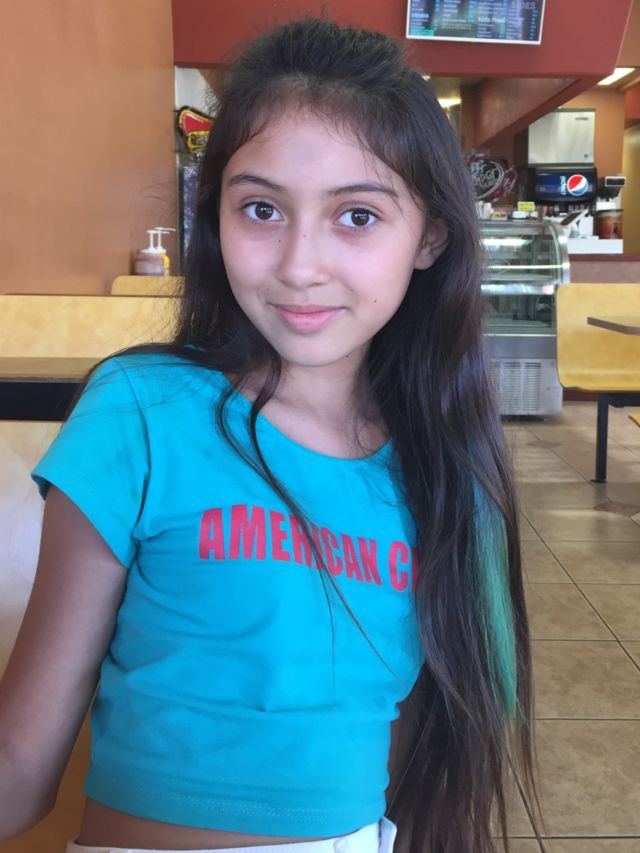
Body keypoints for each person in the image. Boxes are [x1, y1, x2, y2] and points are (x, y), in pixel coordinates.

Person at [0, 17, 540, 853]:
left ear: (429, 236)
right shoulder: (140, 413)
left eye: (356, 216)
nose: (298, 265)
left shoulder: (446, 467)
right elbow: (20, 767)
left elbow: (415, 760)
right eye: (261, 208)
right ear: (215, 217)